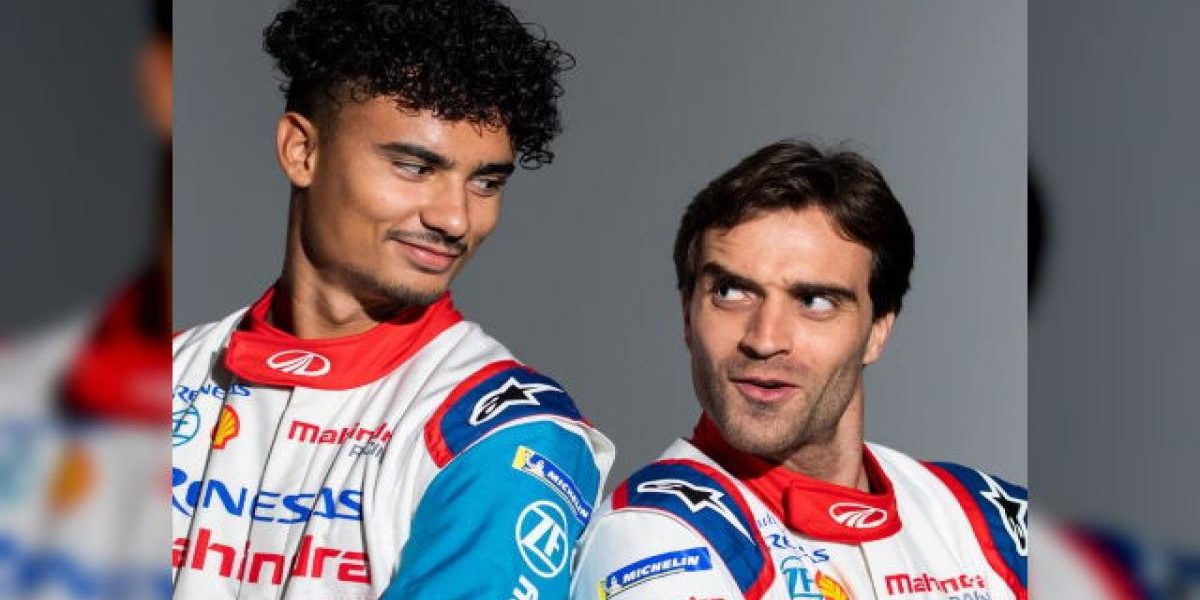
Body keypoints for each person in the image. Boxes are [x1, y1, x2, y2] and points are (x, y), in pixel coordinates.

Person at [171, 1, 613, 598]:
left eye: (486, 182)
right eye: (414, 167)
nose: (456, 219)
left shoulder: (506, 434)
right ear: (302, 151)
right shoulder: (154, 378)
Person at [571, 140, 1027, 600]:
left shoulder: (988, 522)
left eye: (815, 301)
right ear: (687, 314)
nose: (765, 339)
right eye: (730, 293)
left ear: (877, 330)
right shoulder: (653, 538)